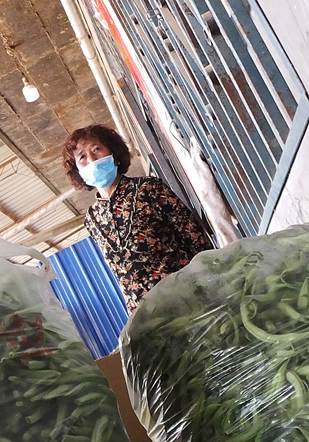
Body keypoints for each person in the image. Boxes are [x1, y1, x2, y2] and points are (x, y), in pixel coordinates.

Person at [63, 123, 211, 312]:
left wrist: (209, 281)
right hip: (148, 314)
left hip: (187, 295)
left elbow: (194, 235)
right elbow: (119, 272)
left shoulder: (148, 188)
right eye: (82, 157)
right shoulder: (92, 219)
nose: (91, 160)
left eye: (97, 149)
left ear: (114, 155)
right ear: (78, 170)